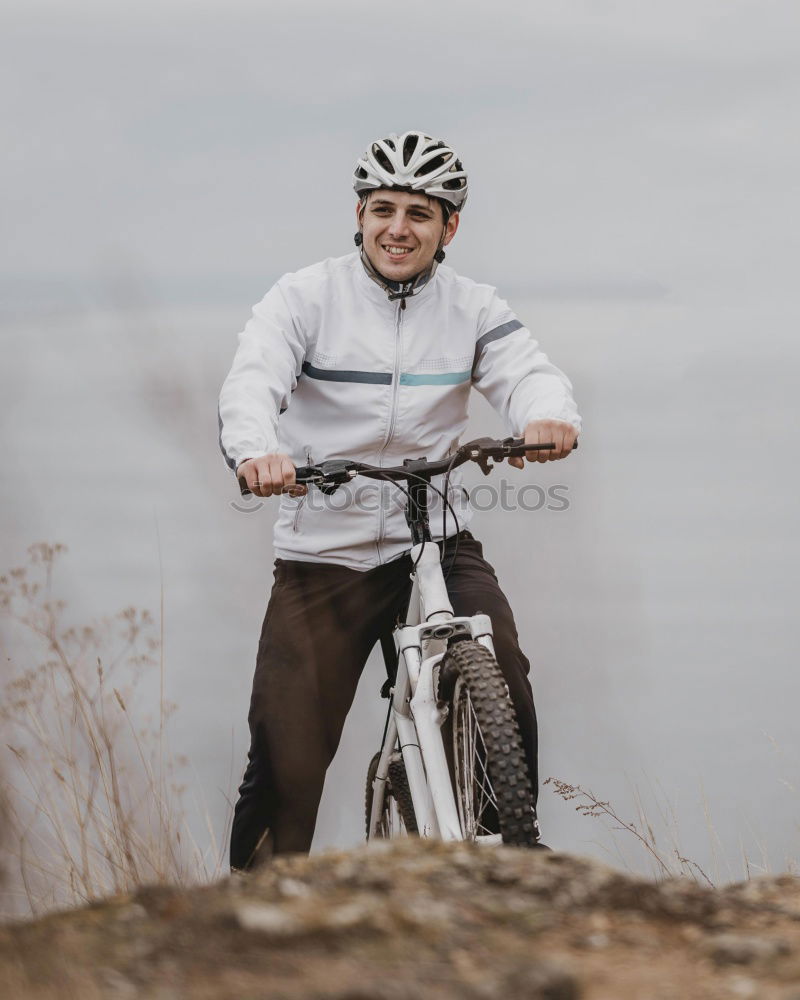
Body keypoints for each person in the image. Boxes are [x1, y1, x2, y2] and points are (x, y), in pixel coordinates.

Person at [219, 130, 580, 869]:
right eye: (383, 208)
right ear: (358, 214)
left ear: (450, 227)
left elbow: (527, 372)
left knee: (499, 662)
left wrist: (546, 419)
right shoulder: (304, 298)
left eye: (420, 212)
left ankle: (511, 844)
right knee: (286, 751)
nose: (398, 228)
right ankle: (260, 900)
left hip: (435, 540)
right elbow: (253, 381)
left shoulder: (473, 308)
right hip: (326, 550)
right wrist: (258, 450)